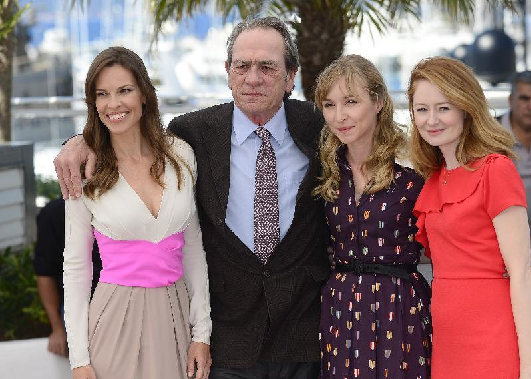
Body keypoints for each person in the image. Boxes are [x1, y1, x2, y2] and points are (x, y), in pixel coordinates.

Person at [54, 18, 329, 378]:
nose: (253, 77)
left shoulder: (322, 127)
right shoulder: (192, 134)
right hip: (228, 341)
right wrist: (79, 141)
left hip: (303, 337)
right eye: (242, 66)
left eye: (267, 67)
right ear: (228, 72)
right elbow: (124, 130)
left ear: (291, 75)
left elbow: (371, 133)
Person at [62, 46, 211, 379]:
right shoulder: (85, 171)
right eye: (102, 94)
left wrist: (201, 333)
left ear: (144, 93)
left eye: (124, 90)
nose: (113, 104)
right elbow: (76, 267)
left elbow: (194, 248)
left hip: (176, 314)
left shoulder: (181, 155)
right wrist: (79, 359)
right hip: (113, 320)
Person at [408, 57, 531, 378]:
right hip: (447, 341)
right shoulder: (432, 179)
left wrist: (530, 365)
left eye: (443, 107)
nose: (431, 120)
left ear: (466, 107)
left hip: (493, 338)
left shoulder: (495, 170)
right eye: (421, 109)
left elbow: (521, 273)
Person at [313, 55, 431, 378]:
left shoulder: (412, 166)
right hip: (341, 310)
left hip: (399, 308)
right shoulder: (325, 169)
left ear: (378, 101)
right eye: (329, 104)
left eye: (351, 101)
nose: (339, 116)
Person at [33, 197, 101, 358]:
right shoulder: (55, 213)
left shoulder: (124, 206)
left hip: (126, 301)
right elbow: (45, 273)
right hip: (80, 308)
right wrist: (57, 329)